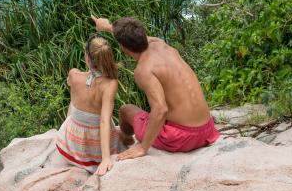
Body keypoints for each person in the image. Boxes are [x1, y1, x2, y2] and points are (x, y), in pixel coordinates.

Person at [91, 15, 219, 158]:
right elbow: (138, 37)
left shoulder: (143, 70)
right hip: (207, 130)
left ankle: (126, 139)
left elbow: (161, 109)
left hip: (183, 138)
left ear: (124, 47)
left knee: (126, 110)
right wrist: (107, 27)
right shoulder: (161, 44)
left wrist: (143, 148)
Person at [54, 34, 125, 176]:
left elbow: (73, 100)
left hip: (70, 148)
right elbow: (104, 120)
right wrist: (105, 158)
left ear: (87, 58)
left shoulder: (73, 75)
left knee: (73, 107)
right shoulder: (110, 84)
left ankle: (66, 133)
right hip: (95, 150)